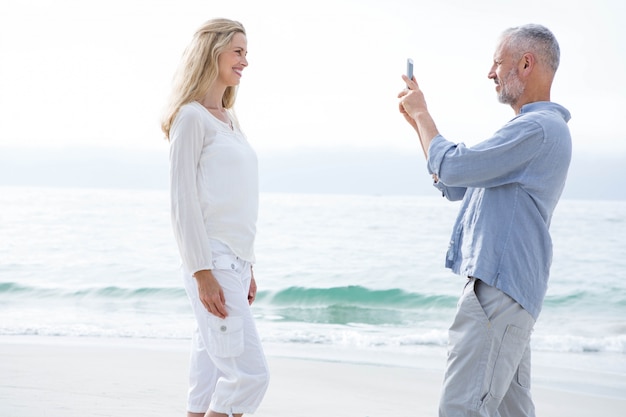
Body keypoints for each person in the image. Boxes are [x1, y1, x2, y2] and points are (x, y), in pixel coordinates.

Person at [398, 24, 571, 417]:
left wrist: (423, 114)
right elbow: (456, 183)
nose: (490, 73)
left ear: (526, 64)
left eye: (497, 62)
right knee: (510, 411)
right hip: (508, 291)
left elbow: (456, 168)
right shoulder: (535, 130)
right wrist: (419, 126)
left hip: (499, 289)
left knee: (462, 408)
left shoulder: (539, 129)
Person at [161, 18, 269, 417]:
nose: (245, 61)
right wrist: (201, 270)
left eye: (246, 52)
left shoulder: (228, 120)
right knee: (250, 375)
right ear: (214, 52)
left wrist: (249, 266)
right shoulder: (190, 118)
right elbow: (181, 202)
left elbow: (233, 200)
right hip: (213, 259)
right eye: (238, 51)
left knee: (207, 371)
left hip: (236, 262)